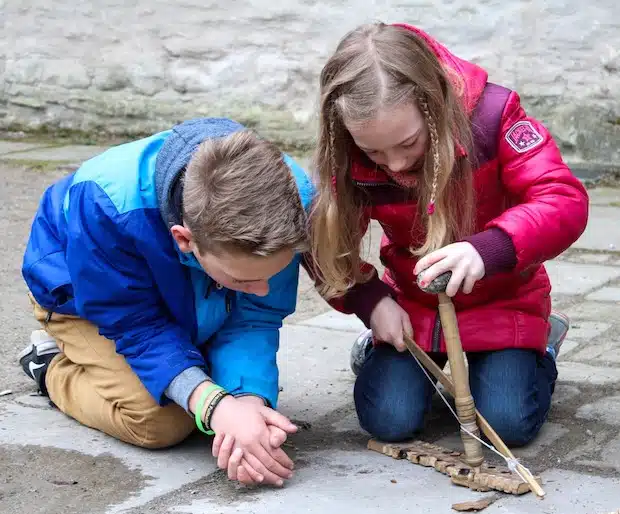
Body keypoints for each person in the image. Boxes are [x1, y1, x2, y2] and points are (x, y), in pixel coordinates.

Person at [306, 22, 589, 446]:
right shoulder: (348, 151)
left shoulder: (495, 117)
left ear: (433, 102)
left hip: (503, 303)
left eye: (409, 143)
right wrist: (370, 301)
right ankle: (378, 350)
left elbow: (563, 199)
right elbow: (324, 244)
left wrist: (491, 248)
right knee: (388, 420)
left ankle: (541, 346)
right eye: (374, 153)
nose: (395, 165)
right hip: (417, 308)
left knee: (507, 425)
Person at [19, 117, 315, 487]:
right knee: (160, 424)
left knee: (220, 394)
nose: (263, 289)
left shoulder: (289, 199)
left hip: (190, 294)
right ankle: (49, 366)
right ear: (185, 240)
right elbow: (136, 326)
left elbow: (256, 316)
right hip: (81, 298)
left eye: (271, 274)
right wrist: (215, 405)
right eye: (244, 280)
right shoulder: (105, 202)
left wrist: (249, 401)